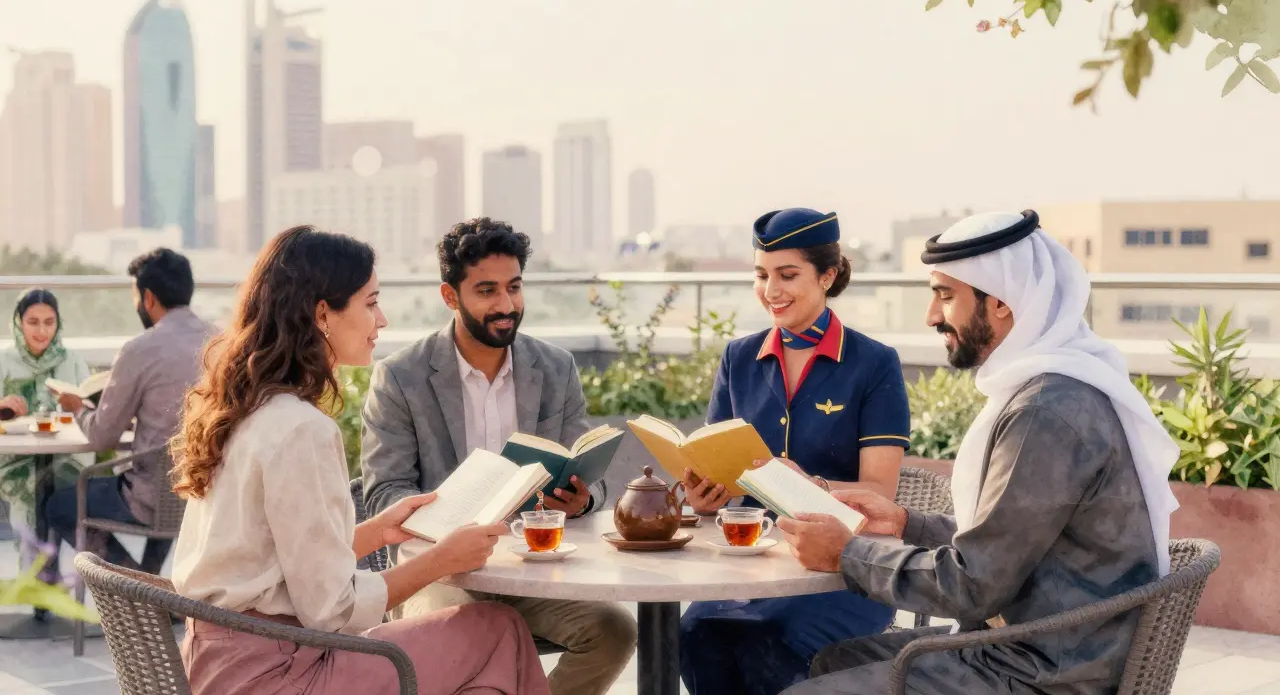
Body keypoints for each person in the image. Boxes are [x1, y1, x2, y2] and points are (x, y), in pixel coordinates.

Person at [777, 210, 1179, 695]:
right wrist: (905, 523)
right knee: (838, 659)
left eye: (946, 295)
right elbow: (1010, 541)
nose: (931, 316)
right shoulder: (1048, 390)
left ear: (1002, 303)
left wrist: (848, 553)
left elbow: (973, 586)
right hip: (1047, 642)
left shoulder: (1046, 413)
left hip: (1048, 668)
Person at [171, 225, 551, 695]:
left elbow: (266, 561)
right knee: (499, 630)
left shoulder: (248, 408)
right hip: (281, 675)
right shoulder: (302, 429)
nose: (383, 320)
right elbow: (333, 609)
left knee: (487, 664)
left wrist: (376, 532)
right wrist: (439, 560)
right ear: (323, 314)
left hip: (219, 665)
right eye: (370, 303)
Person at [362, 217, 637, 695]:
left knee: (614, 630)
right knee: (450, 646)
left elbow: (591, 470)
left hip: (534, 571)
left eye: (514, 287)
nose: (506, 305)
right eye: (487, 291)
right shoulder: (400, 378)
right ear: (451, 296)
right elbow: (384, 492)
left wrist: (582, 499)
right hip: (440, 572)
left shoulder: (555, 368)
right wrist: (455, 518)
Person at [678, 208, 911, 695]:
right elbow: (712, 458)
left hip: (843, 570)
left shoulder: (874, 364)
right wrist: (702, 496)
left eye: (788, 275)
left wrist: (812, 487)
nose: (771, 290)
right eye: (762, 275)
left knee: (770, 639)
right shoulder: (737, 358)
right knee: (695, 632)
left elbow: (879, 492)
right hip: (747, 562)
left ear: (828, 275)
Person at [45, 248, 216, 572]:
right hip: (204, 492)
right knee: (167, 473)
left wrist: (78, 407)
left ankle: (134, 585)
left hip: (152, 497)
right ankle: (155, 588)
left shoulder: (139, 349)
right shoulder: (222, 341)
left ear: (148, 298)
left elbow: (100, 436)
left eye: (135, 296)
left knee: (58, 505)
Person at [0, 289, 91, 580]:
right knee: (27, 496)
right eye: (33, 322)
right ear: (18, 323)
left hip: (65, 456)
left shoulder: (72, 361)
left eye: (49, 322)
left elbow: (90, 410)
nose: (42, 330)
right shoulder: (4, 361)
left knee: (64, 495)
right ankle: (37, 581)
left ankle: (60, 580)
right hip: (15, 460)